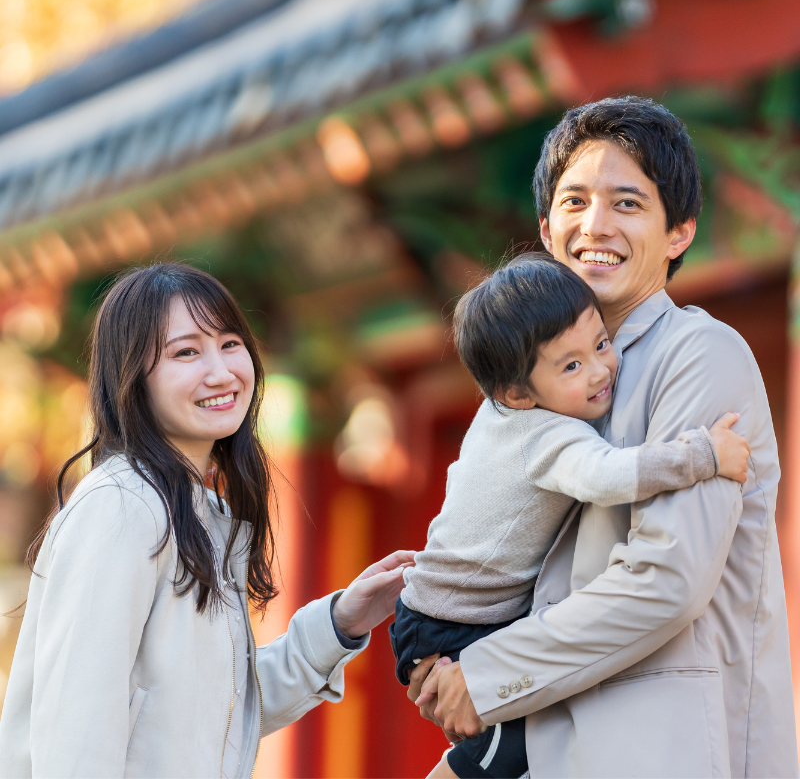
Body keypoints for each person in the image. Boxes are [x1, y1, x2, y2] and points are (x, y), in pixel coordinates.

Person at [410, 97, 799, 778]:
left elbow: (665, 580)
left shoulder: (700, 355)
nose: (595, 225)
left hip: (670, 751)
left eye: (626, 203)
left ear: (678, 232)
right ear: (545, 227)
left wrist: (487, 671)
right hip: (557, 744)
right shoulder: (530, 383)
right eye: (574, 201)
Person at [0, 263, 414, 778]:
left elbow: (219, 710)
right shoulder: (122, 508)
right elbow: (75, 729)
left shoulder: (196, 510)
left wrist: (340, 624)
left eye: (230, 343)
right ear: (133, 378)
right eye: (186, 352)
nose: (220, 372)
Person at [391, 252, 750, 779]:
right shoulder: (547, 435)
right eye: (572, 366)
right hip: (454, 622)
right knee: (514, 747)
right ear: (517, 394)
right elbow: (609, 477)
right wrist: (703, 456)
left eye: (601, 343)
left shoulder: (503, 413)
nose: (602, 370)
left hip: (444, 612)